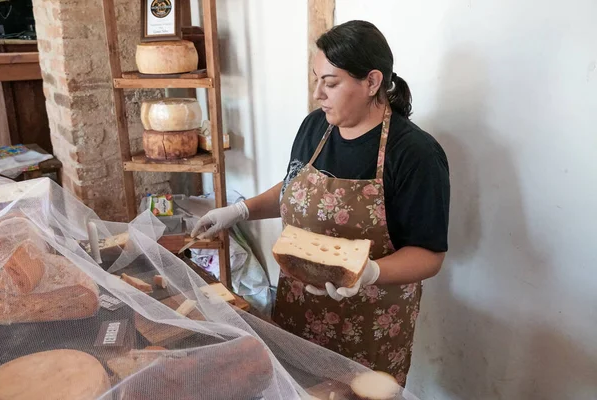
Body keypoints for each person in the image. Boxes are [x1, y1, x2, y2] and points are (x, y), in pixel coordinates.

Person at [191, 20, 450, 386]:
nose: (317, 94)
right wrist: (240, 210)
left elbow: (429, 254)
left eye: (330, 83)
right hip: (299, 310)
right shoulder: (316, 127)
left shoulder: (414, 154)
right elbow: (297, 189)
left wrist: (368, 273)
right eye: (316, 80)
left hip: (369, 326)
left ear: (372, 82)